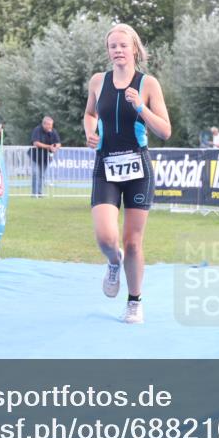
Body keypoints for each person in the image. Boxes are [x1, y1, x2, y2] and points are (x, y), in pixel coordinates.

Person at [84, 23, 171, 324]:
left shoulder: (148, 84)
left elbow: (166, 130)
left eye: (123, 45)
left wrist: (141, 109)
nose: (118, 51)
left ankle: (134, 301)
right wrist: (89, 132)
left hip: (138, 168)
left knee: (132, 241)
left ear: (134, 48)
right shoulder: (98, 81)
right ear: (108, 51)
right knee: (107, 238)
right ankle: (112, 262)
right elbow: (90, 114)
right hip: (106, 165)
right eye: (112, 46)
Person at [29, 116, 61, 197]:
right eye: (49, 125)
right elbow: (35, 143)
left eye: (51, 125)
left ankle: (39, 193)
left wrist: (55, 147)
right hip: (35, 157)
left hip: (46, 158)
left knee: (42, 175)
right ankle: (34, 194)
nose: (51, 126)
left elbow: (58, 143)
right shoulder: (37, 130)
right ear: (44, 124)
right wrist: (49, 147)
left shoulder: (53, 131)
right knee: (36, 173)